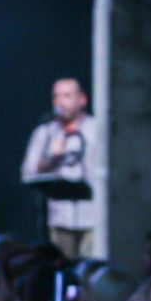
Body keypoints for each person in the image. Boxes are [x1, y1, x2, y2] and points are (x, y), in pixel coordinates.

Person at [21, 77, 98, 259]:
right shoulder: (45, 132)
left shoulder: (97, 129)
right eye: (56, 96)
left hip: (92, 217)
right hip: (60, 218)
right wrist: (51, 158)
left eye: (67, 95)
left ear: (82, 99)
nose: (60, 101)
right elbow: (28, 172)